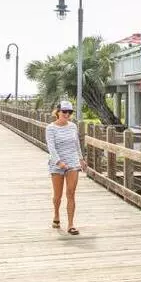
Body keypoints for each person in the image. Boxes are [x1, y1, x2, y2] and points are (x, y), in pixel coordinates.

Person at [45, 100, 87, 235]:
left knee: (71, 193)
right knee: (58, 195)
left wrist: (81, 159)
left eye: (69, 112)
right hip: (57, 164)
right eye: (64, 111)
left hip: (72, 163)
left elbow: (76, 144)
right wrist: (59, 162)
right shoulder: (50, 128)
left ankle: (71, 224)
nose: (67, 114)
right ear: (57, 112)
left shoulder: (73, 127)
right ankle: (56, 215)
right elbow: (51, 148)